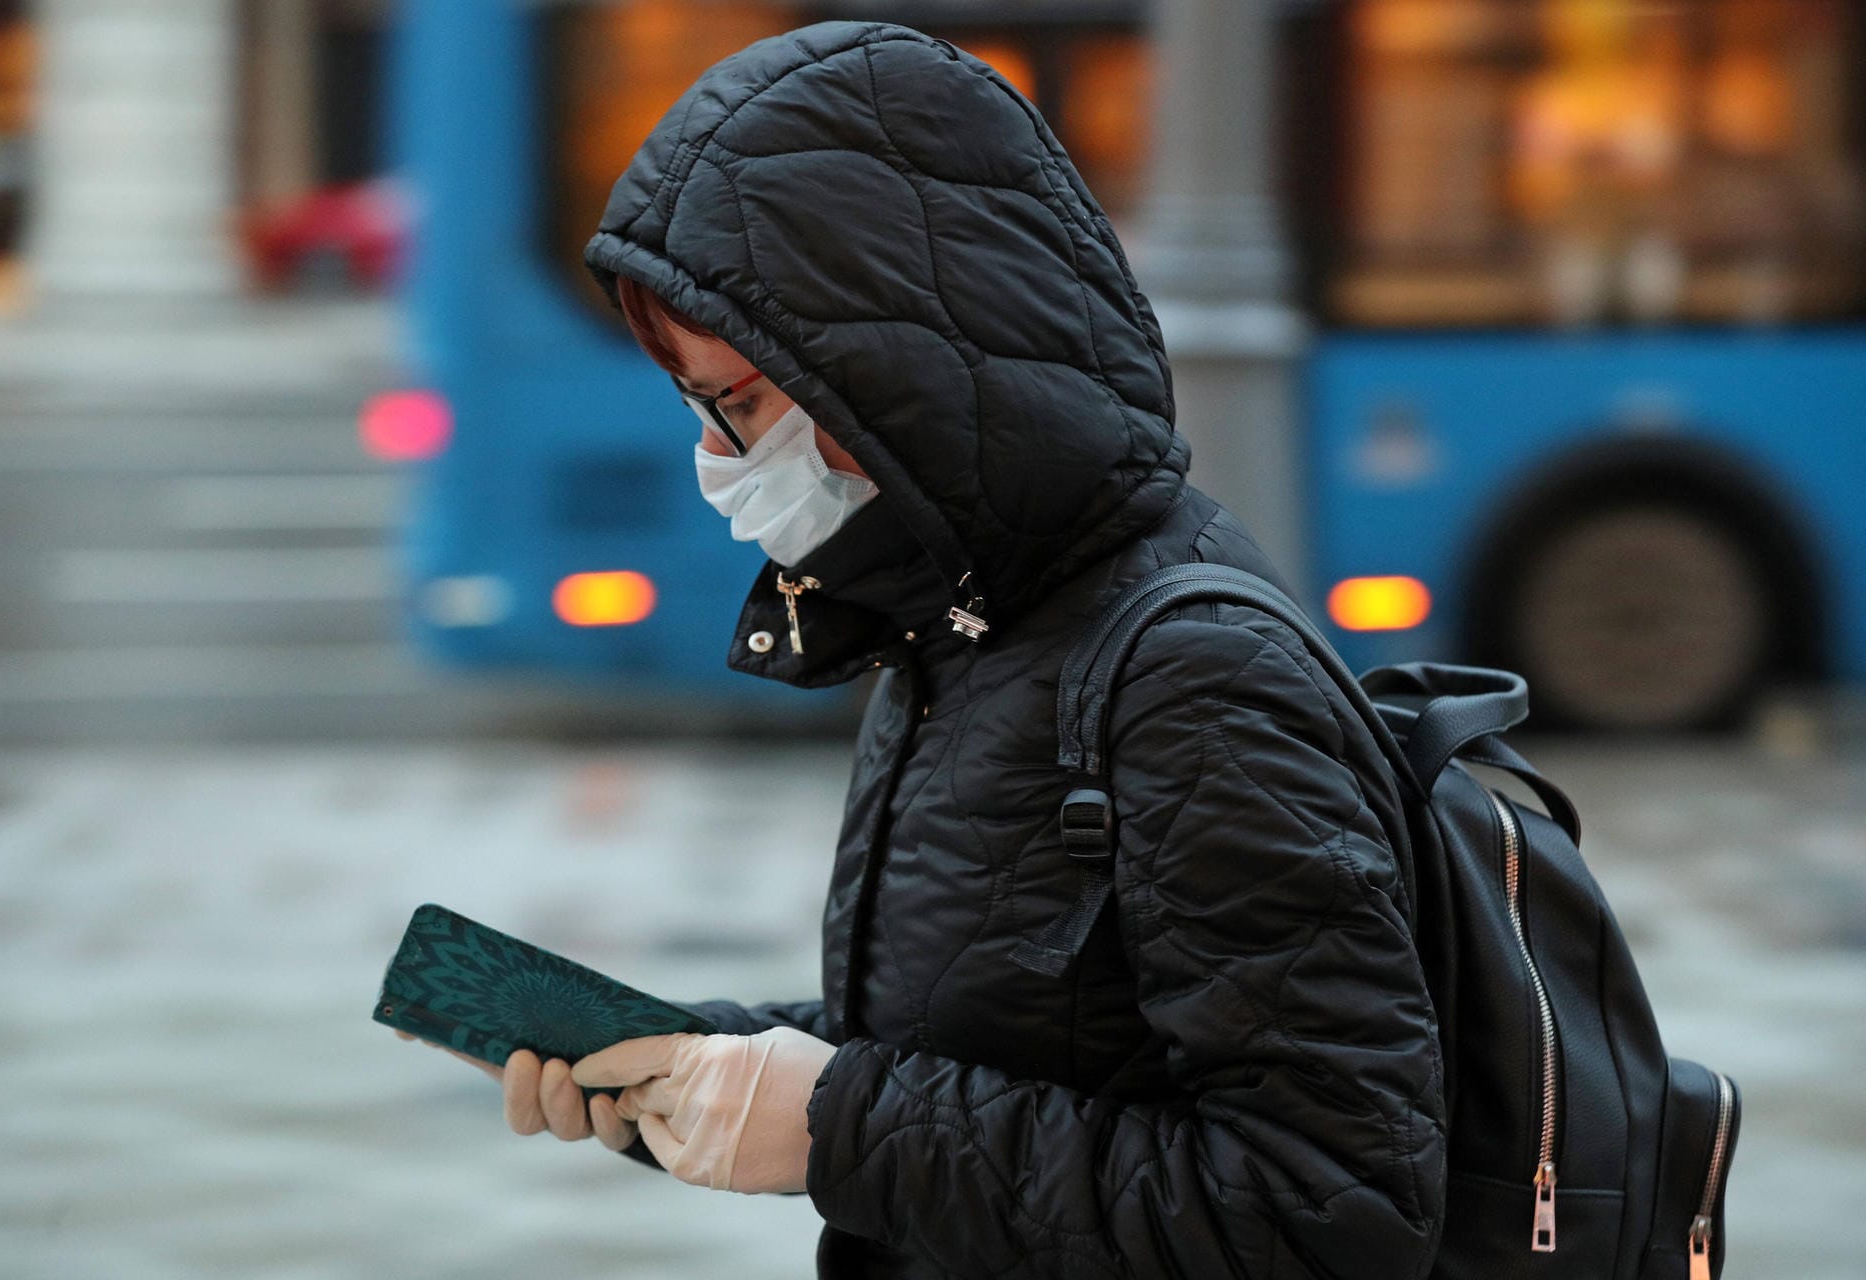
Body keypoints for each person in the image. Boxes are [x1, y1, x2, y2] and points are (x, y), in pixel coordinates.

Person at [399, 20, 1446, 1280]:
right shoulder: (962, 615)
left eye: (740, 404)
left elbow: (1332, 1209)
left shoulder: (1192, 676)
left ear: (882, 372)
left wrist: (834, 1124)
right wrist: (693, 1063)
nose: (722, 463)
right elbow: (996, 1037)